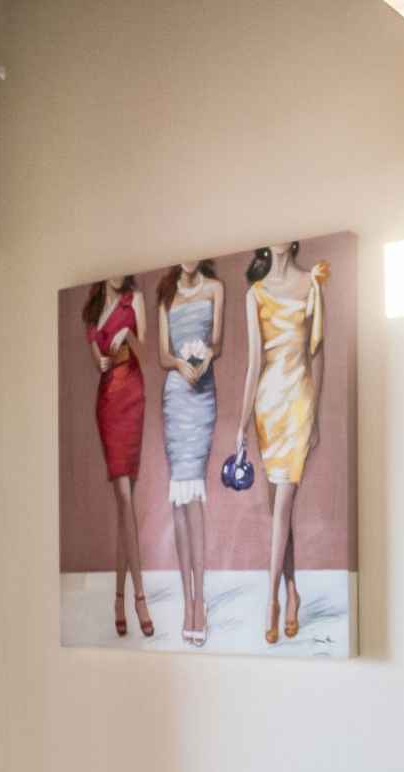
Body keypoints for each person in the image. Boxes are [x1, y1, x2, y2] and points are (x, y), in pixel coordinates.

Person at [236, 243, 327, 644]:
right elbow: (253, 363)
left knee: (283, 505)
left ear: (292, 242)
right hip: (267, 406)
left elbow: (317, 352)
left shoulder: (312, 282)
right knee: (279, 512)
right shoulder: (254, 294)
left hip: (299, 401)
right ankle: (293, 593)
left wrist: (317, 412)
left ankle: (271, 600)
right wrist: (241, 425)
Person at [156, 260, 224, 646]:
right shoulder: (166, 296)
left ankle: (201, 601)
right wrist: (181, 363)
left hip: (202, 396)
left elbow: (219, 343)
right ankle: (188, 603)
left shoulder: (215, 288)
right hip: (176, 397)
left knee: (193, 497)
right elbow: (163, 356)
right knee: (179, 503)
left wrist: (205, 358)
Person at [82, 275, 152, 638]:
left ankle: (121, 598)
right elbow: (98, 362)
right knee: (124, 500)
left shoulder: (133, 299)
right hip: (108, 401)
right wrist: (102, 360)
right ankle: (138, 598)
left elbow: (147, 353)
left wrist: (129, 336)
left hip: (133, 395)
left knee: (127, 505)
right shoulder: (94, 310)